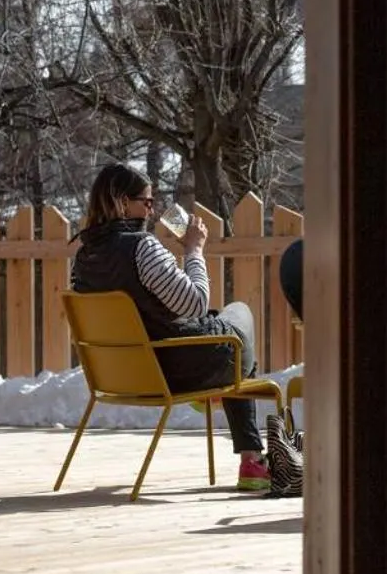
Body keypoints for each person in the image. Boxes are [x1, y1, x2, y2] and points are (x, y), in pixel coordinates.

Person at [71, 164, 270, 491]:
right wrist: (194, 250)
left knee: (221, 320)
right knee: (239, 315)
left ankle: (240, 441)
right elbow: (195, 304)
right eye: (146, 202)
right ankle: (251, 459)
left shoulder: (82, 259)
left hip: (126, 374)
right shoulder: (142, 247)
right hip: (175, 369)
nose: (151, 210)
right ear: (122, 203)